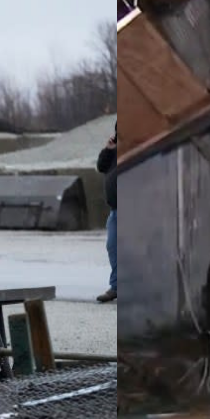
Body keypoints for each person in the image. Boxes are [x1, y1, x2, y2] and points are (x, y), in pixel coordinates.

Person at [96, 123, 117, 302]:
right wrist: (108, 150)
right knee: (112, 247)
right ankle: (116, 286)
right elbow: (101, 167)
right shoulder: (113, 151)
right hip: (115, 210)